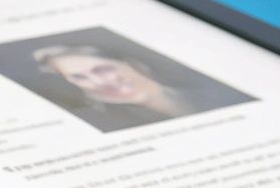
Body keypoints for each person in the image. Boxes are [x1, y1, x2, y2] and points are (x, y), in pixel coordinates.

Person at [30, 43, 249, 128]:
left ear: (132, 63)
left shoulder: (218, 94)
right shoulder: (109, 122)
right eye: (80, 78)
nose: (98, 83)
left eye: (102, 69)